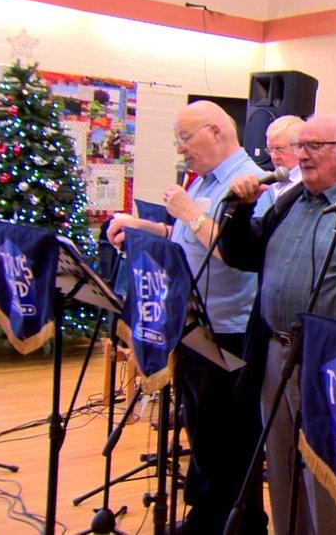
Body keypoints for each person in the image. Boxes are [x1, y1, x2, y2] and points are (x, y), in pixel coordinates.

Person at [219, 113, 336, 535]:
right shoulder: (289, 201)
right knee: (281, 464)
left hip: (329, 364)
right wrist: (239, 207)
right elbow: (243, 254)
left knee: (323, 472)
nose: (302, 155)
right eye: (299, 146)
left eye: (314, 146)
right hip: (274, 353)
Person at [108, 100, 274, 533]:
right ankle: (206, 516)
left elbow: (239, 255)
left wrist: (189, 212)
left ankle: (233, 523)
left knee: (229, 443)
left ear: (216, 132)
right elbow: (188, 240)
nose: (181, 149)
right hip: (192, 325)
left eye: (186, 137)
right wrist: (148, 227)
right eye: (177, 140)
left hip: (230, 332)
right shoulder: (201, 181)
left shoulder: (252, 184)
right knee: (200, 433)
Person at [263, 115, 304, 200]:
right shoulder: (268, 182)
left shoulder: (308, 185)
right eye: (270, 149)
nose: (274, 156)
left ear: (299, 147)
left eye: (280, 149)